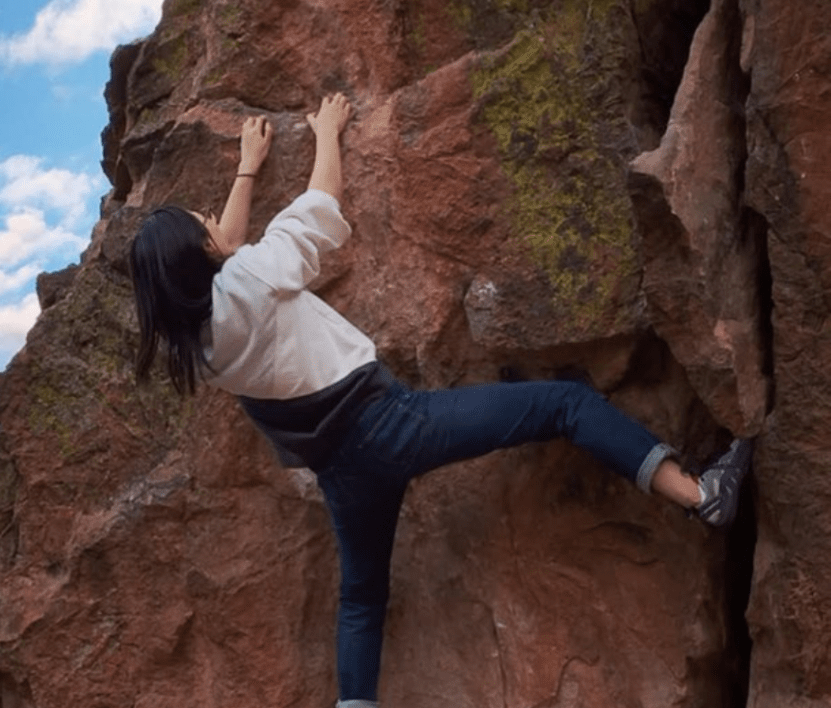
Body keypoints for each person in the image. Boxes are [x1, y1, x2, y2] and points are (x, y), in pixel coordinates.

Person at [128, 93, 754, 708]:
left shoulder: (198, 348)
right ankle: (703, 496)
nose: (214, 223)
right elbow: (318, 209)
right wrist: (326, 135)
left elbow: (225, 255)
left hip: (342, 473)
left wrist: (248, 169)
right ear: (206, 255)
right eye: (203, 226)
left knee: (362, 599)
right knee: (564, 405)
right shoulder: (251, 279)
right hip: (392, 426)